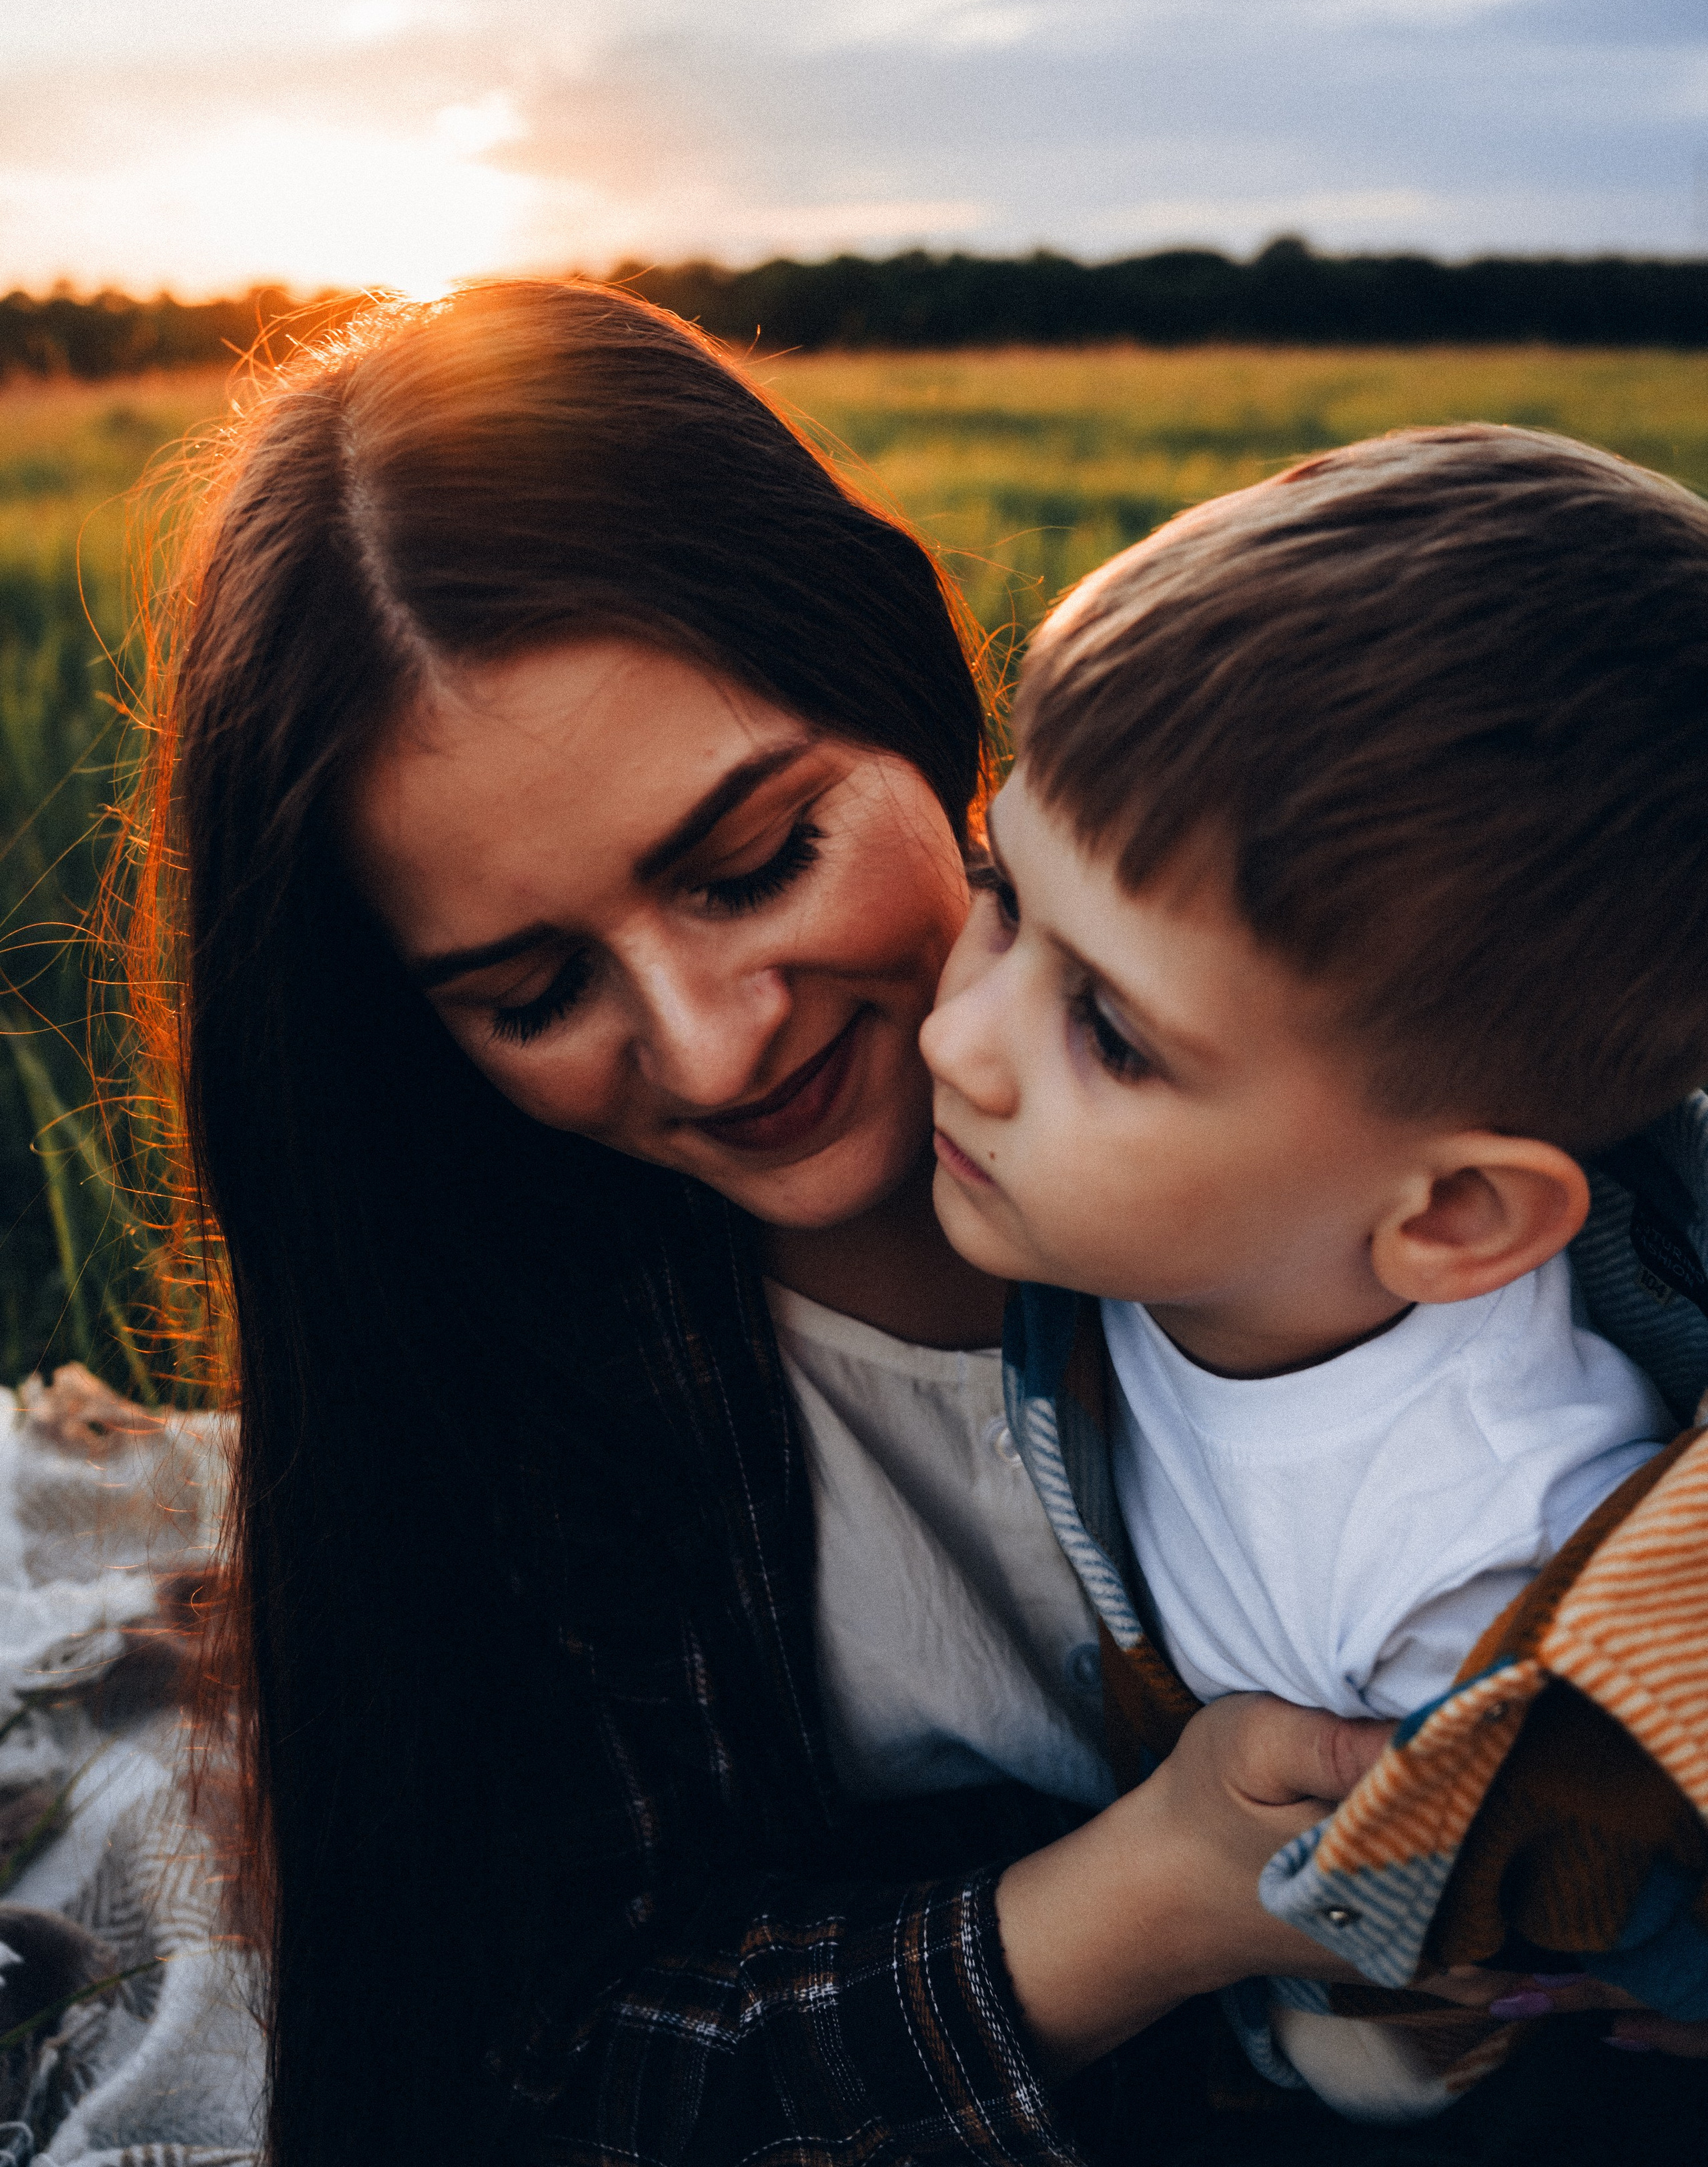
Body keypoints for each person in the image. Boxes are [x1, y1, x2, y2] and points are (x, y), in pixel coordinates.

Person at [119, 280, 1386, 2167]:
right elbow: (520, 2075)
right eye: (534, 994)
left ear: (901, 675)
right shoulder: (500, 1370)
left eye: (752, 860)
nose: (714, 1049)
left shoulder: (1341, 1023)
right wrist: (1158, 1899)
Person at [922, 426, 1708, 2132]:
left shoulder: (1492, 1577)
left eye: (1108, 1034)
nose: (954, 1041)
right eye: (998, 897)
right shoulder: (1162, 1240)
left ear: (1455, 1220)